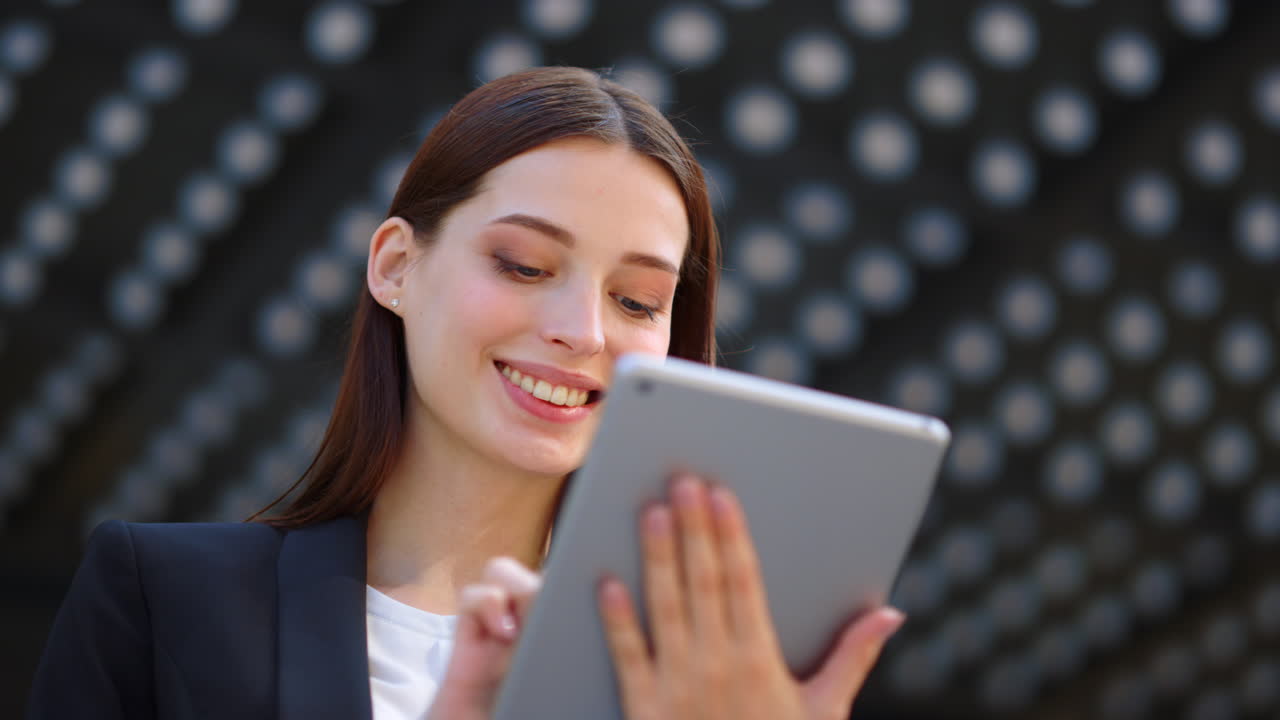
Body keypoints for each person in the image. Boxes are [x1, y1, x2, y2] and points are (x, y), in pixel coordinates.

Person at [28, 66, 905, 720]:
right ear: (396, 266)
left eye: (637, 300)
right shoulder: (168, 599)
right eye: (524, 265)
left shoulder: (708, 681)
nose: (585, 332)